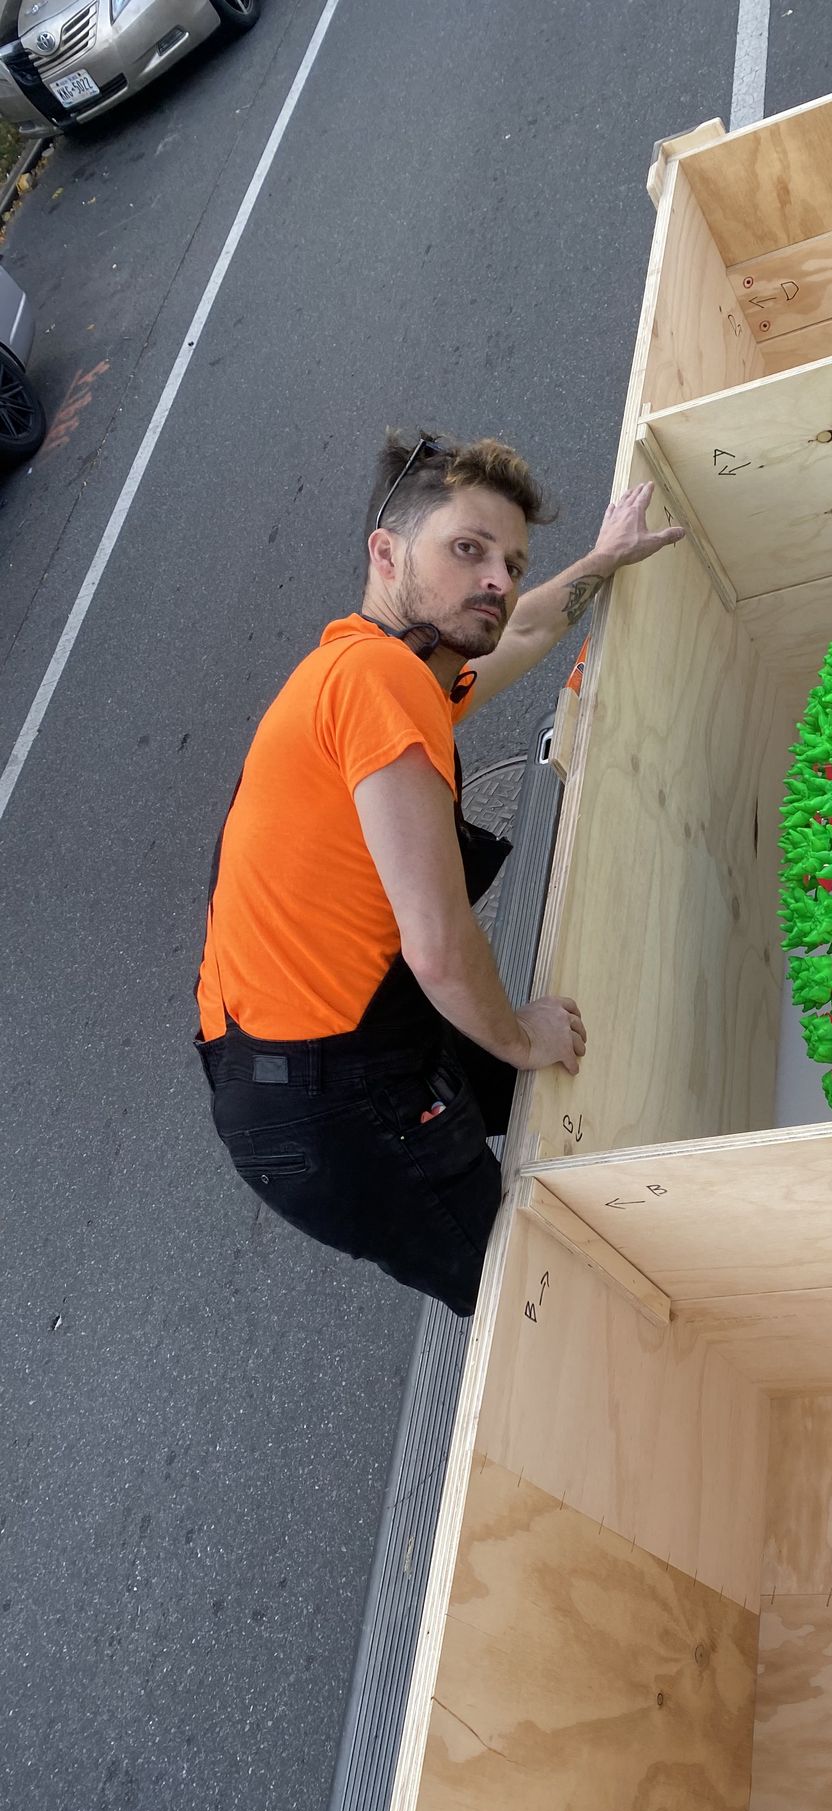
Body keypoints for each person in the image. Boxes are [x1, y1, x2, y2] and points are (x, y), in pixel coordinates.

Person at [194, 428, 683, 1316]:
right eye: (468, 549)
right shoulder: (375, 680)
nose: (498, 579)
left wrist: (605, 559)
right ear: (385, 554)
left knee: (562, 1077)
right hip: (331, 1100)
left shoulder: (378, 669)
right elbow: (439, 945)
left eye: (512, 562)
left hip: (308, 1059)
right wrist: (520, 1035)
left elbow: (525, 628)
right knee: (532, 1298)